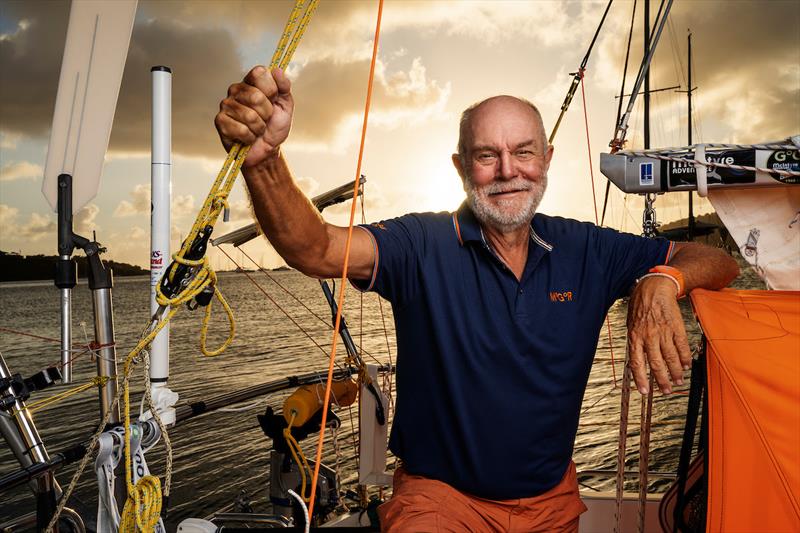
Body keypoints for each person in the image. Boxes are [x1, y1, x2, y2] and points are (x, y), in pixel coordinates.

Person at [215, 66, 739, 532]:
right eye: (487, 155)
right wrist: (263, 162)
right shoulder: (420, 244)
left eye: (523, 152)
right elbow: (318, 249)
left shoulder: (588, 248)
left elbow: (717, 261)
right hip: (441, 501)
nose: (508, 170)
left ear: (546, 159)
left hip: (551, 502)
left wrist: (663, 280)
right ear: (461, 166)